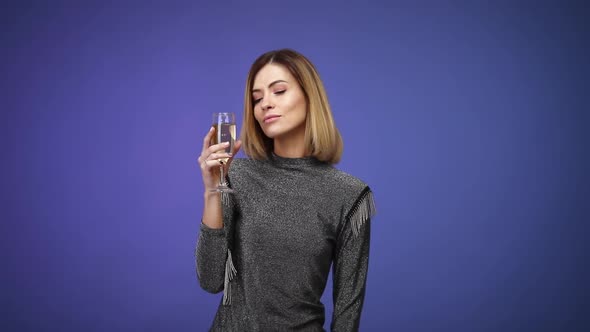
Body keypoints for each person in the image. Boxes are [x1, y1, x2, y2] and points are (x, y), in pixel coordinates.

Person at [195, 48, 376, 331]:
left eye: (278, 91)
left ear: (309, 96)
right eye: (257, 98)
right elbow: (210, 280)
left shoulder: (349, 195)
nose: (265, 104)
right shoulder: (236, 176)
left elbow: (347, 310)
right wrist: (212, 190)